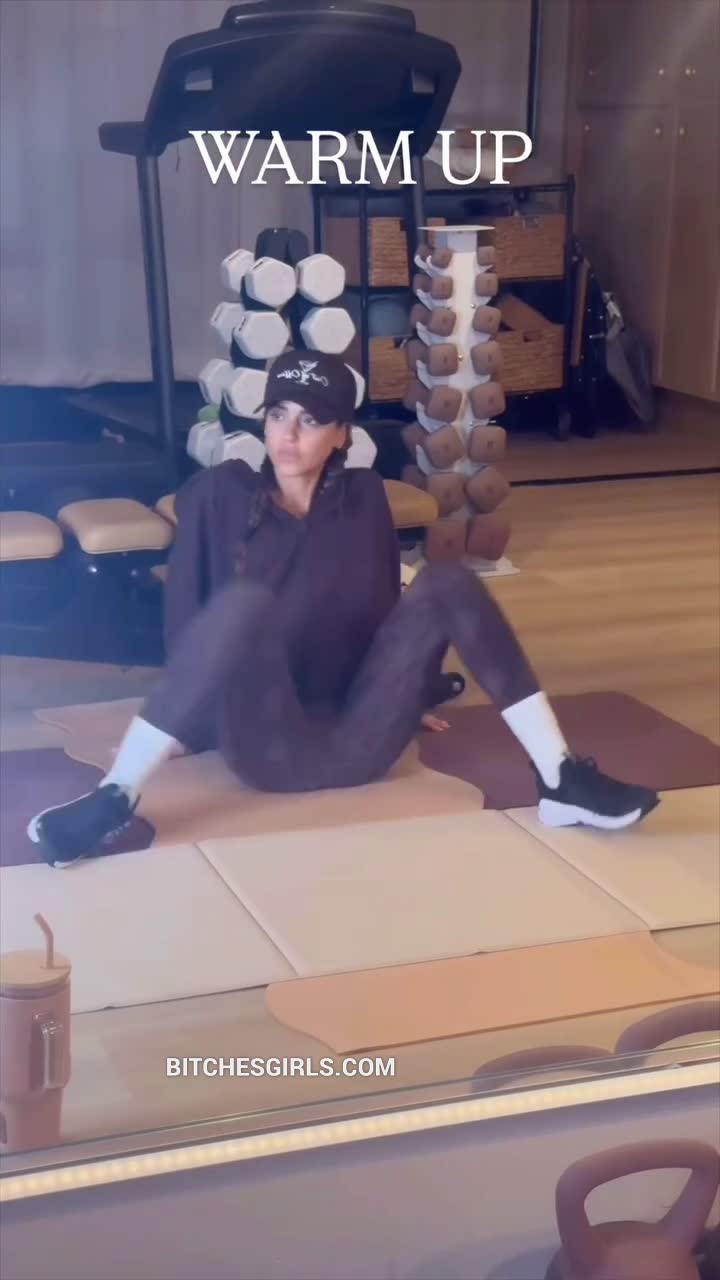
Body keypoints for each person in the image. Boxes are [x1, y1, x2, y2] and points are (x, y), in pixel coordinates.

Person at [29, 350, 659, 867]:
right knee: (245, 603)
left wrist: (415, 690)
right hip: (268, 744)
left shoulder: (363, 498)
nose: (288, 434)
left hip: (363, 739)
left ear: (341, 435)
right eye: (279, 415)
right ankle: (115, 797)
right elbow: (187, 621)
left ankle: (560, 777)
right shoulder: (219, 494)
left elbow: (383, 612)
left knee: (445, 580)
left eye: (310, 420)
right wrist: (190, 731)